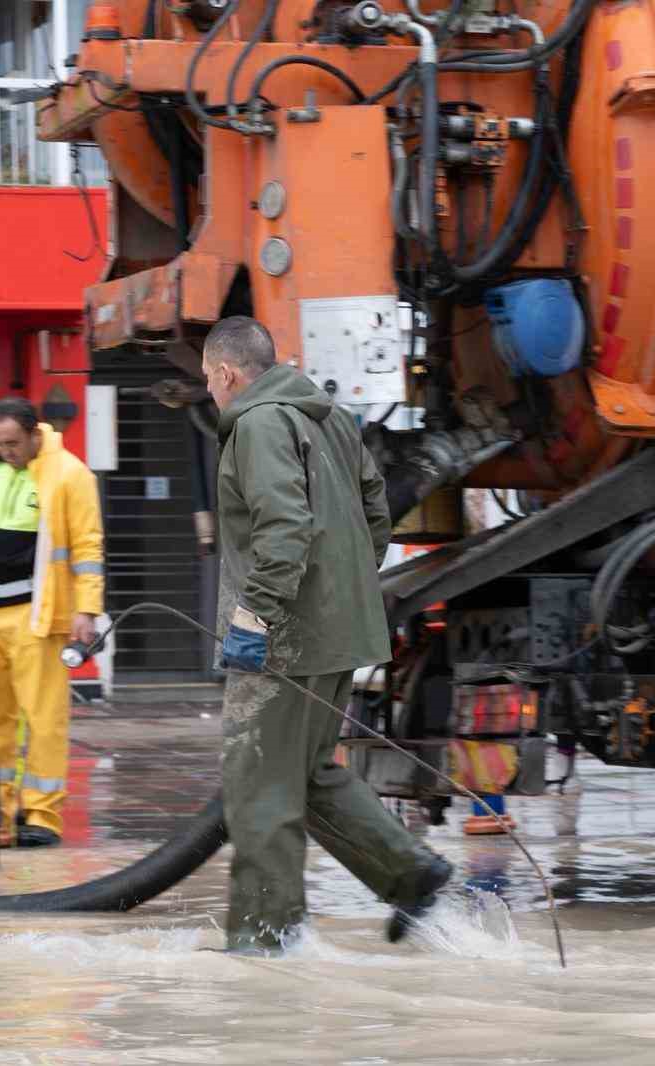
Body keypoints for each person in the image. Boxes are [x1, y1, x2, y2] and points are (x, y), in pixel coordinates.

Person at [202, 315, 451, 953]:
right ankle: (408, 871)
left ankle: (264, 943)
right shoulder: (329, 418)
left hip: (282, 636)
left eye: (208, 380)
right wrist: (340, 593)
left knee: (260, 781)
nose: (210, 392)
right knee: (307, 773)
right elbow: (375, 507)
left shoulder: (258, 424)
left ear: (228, 374)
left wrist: (257, 614)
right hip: (335, 631)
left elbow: (284, 525)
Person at [0, 398, 103, 847]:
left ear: (36, 433)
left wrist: (87, 610)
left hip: (34, 615)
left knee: (43, 718)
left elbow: (88, 547)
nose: (6, 451)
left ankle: (40, 815)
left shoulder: (70, 475)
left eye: (13, 443)